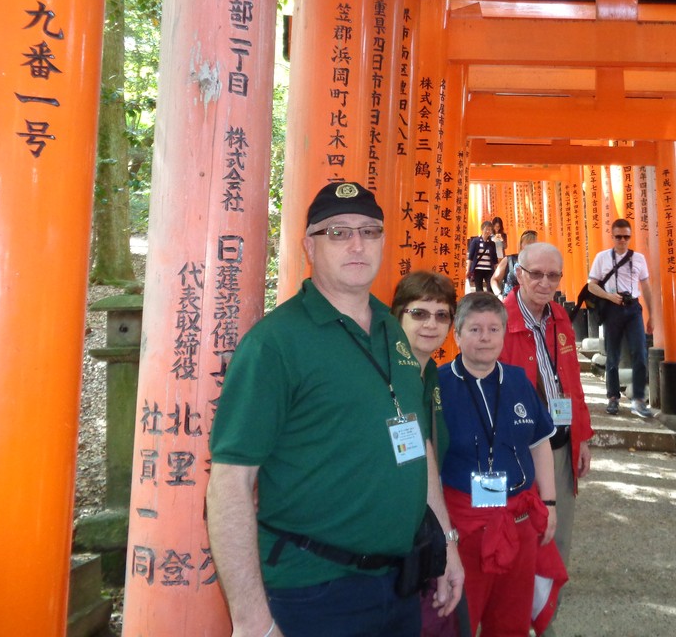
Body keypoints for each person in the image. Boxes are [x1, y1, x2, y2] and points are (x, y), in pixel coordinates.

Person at [207, 181, 462, 637]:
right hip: (314, 589)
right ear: (309, 245)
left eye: (369, 230)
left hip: (401, 580)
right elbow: (230, 482)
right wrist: (251, 622)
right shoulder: (276, 344)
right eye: (338, 232)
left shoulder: (393, 328)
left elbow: (417, 443)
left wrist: (444, 544)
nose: (357, 243)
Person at [438, 292, 562, 637]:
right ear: (457, 335)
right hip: (463, 525)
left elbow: (539, 443)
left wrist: (549, 503)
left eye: (494, 329)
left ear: (504, 334)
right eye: (474, 329)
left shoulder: (519, 380)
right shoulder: (437, 385)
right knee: (458, 616)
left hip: (518, 519)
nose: (485, 338)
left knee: (510, 621)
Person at [498, 242, 593, 634]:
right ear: (518, 274)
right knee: (515, 541)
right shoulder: (498, 320)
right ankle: (514, 621)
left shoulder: (558, 317)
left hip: (560, 448)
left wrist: (582, 437)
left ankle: (545, 621)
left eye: (553, 276)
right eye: (536, 274)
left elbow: (571, 382)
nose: (544, 282)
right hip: (517, 456)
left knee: (557, 542)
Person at [390, 271, 470, 637]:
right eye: (418, 313)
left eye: (441, 315)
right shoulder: (386, 377)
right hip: (389, 541)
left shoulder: (431, 374)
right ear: (397, 316)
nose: (430, 324)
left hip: (423, 533)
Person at [588, 218, 657, 418]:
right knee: (613, 356)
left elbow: (646, 288)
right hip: (612, 308)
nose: (622, 241)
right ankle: (613, 397)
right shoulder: (602, 258)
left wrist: (652, 316)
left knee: (640, 354)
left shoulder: (639, 259)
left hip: (633, 308)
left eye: (626, 237)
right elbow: (591, 284)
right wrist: (609, 296)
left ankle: (638, 399)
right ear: (612, 237)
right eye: (618, 237)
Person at [489, 229, 537, 297]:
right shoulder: (509, 260)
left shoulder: (539, 264)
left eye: (533, 244)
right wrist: (499, 295)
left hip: (530, 304)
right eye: (528, 243)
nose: (530, 247)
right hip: (509, 302)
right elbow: (494, 279)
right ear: (520, 245)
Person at [466, 221, 499, 292]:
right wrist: (468, 270)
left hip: (489, 270)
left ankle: (490, 303)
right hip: (478, 269)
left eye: (490, 229)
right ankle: (480, 303)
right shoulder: (475, 241)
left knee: (490, 288)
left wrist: (497, 271)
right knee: (479, 289)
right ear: (482, 229)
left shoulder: (492, 244)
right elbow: (470, 257)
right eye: (486, 229)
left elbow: (494, 259)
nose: (488, 231)